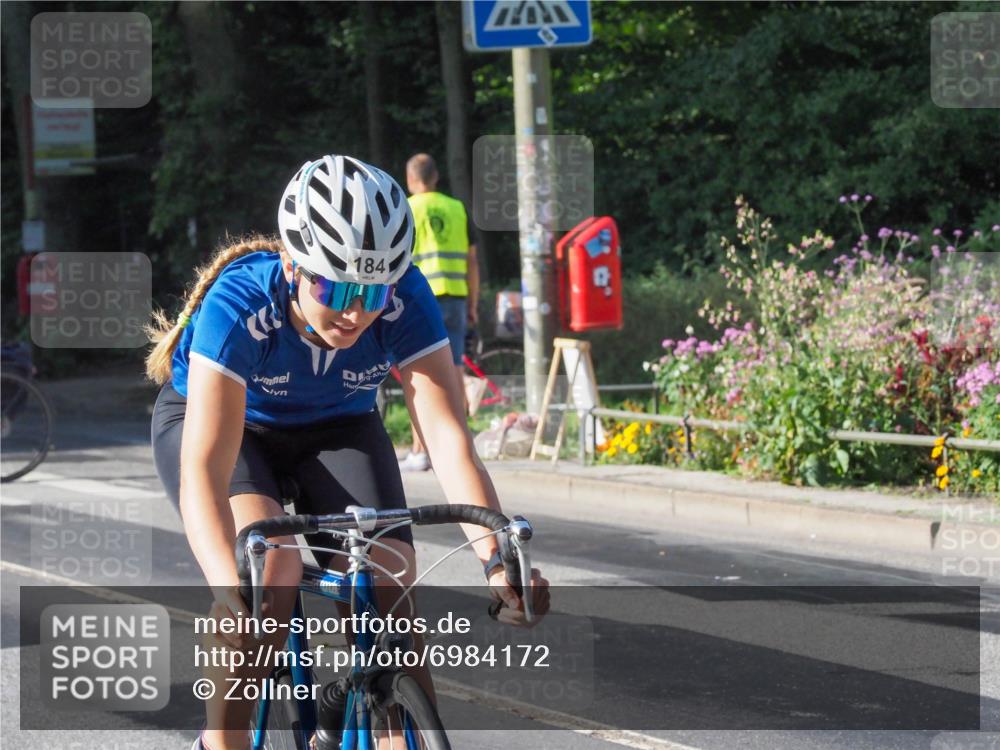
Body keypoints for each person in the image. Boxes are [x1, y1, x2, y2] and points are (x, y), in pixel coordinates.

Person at [145, 155, 548, 750]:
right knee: (269, 573)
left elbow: (447, 439)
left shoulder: (406, 298)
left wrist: (496, 561)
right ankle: (221, 743)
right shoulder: (240, 305)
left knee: (390, 581)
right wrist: (232, 593)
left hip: (336, 425)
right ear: (293, 266)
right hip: (233, 429)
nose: (357, 311)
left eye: (373, 290)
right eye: (336, 288)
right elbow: (205, 469)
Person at [398, 153, 479, 472]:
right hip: (456, 296)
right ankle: (462, 447)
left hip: (419, 299)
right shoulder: (457, 208)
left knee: (415, 372)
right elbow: (472, 260)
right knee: (454, 369)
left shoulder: (405, 208)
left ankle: (420, 450)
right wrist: (473, 303)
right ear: (436, 177)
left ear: (410, 179)